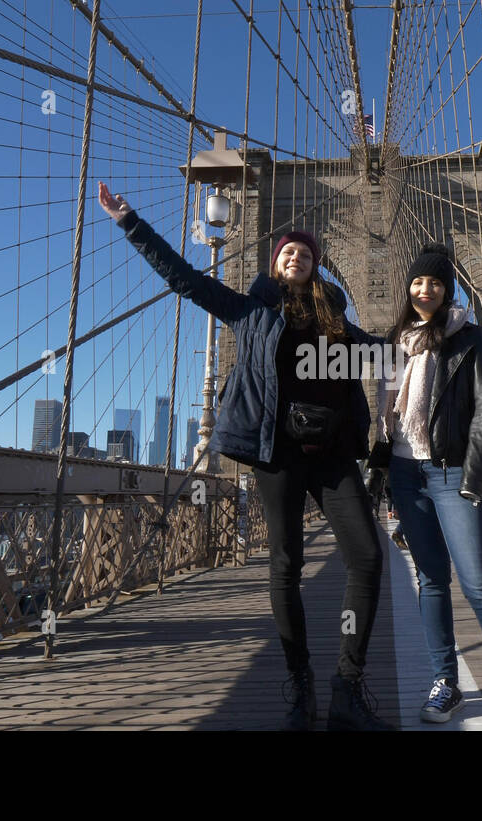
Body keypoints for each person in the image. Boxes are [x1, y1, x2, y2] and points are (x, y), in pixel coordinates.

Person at [98, 182, 392, 731]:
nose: (296, 257)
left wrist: (429, 337)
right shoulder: (251, 311)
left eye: (305, 253)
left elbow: (383, 353)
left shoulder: (337, 321)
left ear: (316, 264)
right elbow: (184, 280)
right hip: (274, 452)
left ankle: (346, 688)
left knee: (368, 557)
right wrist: (130, 222)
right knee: (286, 566)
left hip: (332, 455)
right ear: (276, 263)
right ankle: (301, 685)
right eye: (287, 252)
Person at [375, 241, 482, 731]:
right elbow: (382, 413)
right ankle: (447, 683)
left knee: (480, 584)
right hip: (406, 474)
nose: (426, 289)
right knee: (431, 581)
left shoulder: (468, 337)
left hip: (450, 472)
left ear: (447, 291)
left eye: (437, 283)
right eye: (420, 281)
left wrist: (472, 477)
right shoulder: (393, 340)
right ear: (410, 287)